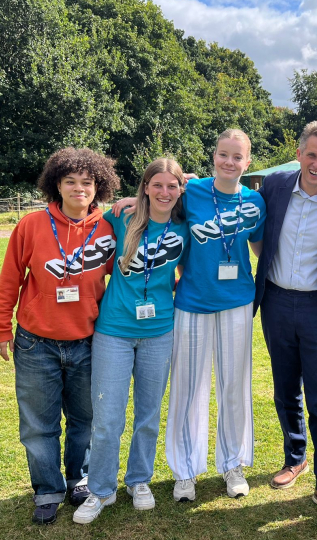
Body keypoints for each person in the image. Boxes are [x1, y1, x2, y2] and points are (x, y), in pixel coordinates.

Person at [113, 129, 266, 502]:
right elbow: (157, 205)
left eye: (237, 157)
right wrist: (128, 202)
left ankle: (232, 464)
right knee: (189, 388)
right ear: (213, 155)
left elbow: (261, 247)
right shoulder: (191, 191)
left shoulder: (255, 202)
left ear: (248, 162)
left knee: (234, 386)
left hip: (237, 301)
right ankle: (185, 471)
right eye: (223, 154)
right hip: (192, 302)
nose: (229, 162)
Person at [0, 147, 119, 525]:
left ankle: (79, 480)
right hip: (35, 342)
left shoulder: (108, 228)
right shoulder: (31, 225)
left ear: (99, 187)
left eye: (87, 182)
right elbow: (10, 279)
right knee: (38, 425)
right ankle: (47, 489)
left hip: (90, 342)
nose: (79, 188)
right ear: (56, 185)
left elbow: (129, 274)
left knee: (85, 420)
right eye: (70, 181)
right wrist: (1, 326)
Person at [72, 158, 188, 524]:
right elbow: (82, 222)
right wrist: (128, 201)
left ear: (180, 189)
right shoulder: (121, 218)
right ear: (145, 187)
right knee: (107, 416)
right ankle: (101, 490)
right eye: (157, 185)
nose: (164, 192)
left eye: (172, 186)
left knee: (149, 415)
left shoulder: (185, 226)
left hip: (159, 332)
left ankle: (139, 480)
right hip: (114, 332)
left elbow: (204, 184)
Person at [253, 121, 317, 523]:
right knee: (284, 389)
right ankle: (295, 457)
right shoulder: (275, 186)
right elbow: (228, 192)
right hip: (276, 301)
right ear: (298, 154)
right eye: (310, 155)